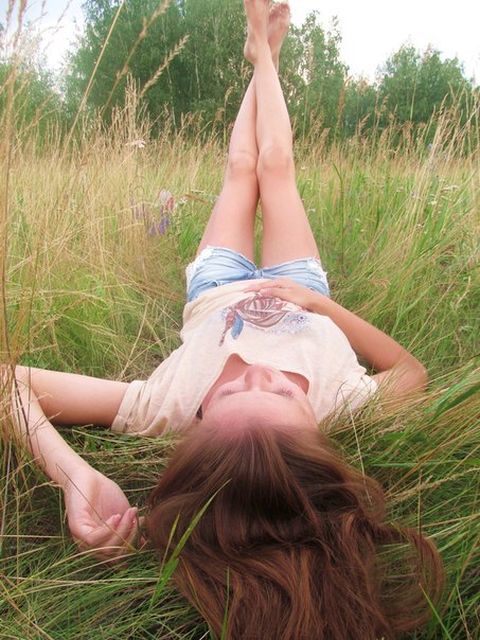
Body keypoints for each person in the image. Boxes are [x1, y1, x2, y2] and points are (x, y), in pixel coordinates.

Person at [5, 1, 444, 638]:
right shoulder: (344, 405)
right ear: (316, 432)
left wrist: (75, 474)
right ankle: (265, 54)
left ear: (198, 425)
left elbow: (8, 381)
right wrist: (320, 305)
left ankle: (259, 52)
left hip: (216, 287)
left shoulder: (162, 406)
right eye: (283, 392)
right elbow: (411, 371)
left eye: (233, 390)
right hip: (304, 290)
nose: (255, 370)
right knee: (276, 167)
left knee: (241, 168)